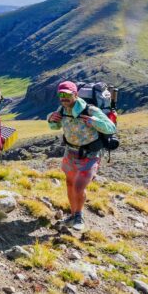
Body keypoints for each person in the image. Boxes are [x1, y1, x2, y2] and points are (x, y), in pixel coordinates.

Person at [47, 81, 116, 231]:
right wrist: (51, 119)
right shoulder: (62, 109)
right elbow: (55, 126)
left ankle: (79, 216)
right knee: (70, 184)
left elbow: (111, 127)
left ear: (75, 94)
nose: (63, 98)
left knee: (78, 187)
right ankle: (72, 216)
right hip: (70, 152)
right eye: (61, 94)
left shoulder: (90, 110)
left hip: (90, 154)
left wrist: (94, 121)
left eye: (67, 94)